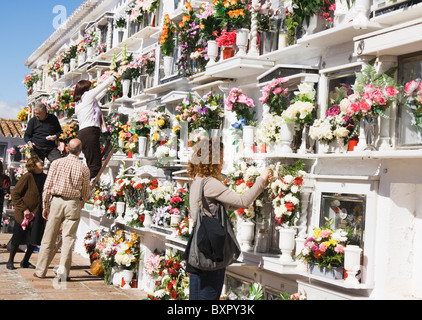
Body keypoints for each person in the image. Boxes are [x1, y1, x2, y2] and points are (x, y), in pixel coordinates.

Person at [186, 138, 273, 300]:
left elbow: (225, 206)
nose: (223, 160)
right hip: (211, 253)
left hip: (197, 250)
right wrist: (260, 181)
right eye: (220, 156)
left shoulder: (197, 181)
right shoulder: (210, 183)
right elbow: (242, 202)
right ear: (212, 160)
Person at [33, 139, 91, 281]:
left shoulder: (56, 163)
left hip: (57, 201)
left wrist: (45, 205)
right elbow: (86, 192)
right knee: (68, 239)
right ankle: (63, 274)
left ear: (66, 149)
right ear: (80, 150)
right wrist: (84, 199)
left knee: (49, 237)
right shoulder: (83, 168)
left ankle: (40, 271)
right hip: (73, 203)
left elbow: (47, 187)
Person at [7, 156, 47, 270]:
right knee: (18, 237)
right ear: (33, 165)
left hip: (38, 212)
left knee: (34, 239)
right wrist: (24, 209)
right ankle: (10, 261)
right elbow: (15, 193)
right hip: (25, 213)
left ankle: (25, 261)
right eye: (39, 161)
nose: (41, 162)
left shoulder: (44, 177)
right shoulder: (28, 177)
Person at [73, 76, 114, 180]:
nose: (91, 89)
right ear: (86, 89)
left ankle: (84, 185)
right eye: (90, 87)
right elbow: (101, 87)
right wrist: (113, 77)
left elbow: (100, 94)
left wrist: (109, 88)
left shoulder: (80, 101)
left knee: (91, 164)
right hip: (90, 132)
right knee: (95, 167)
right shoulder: (87, 95)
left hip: (84, 133)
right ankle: (81, 185)